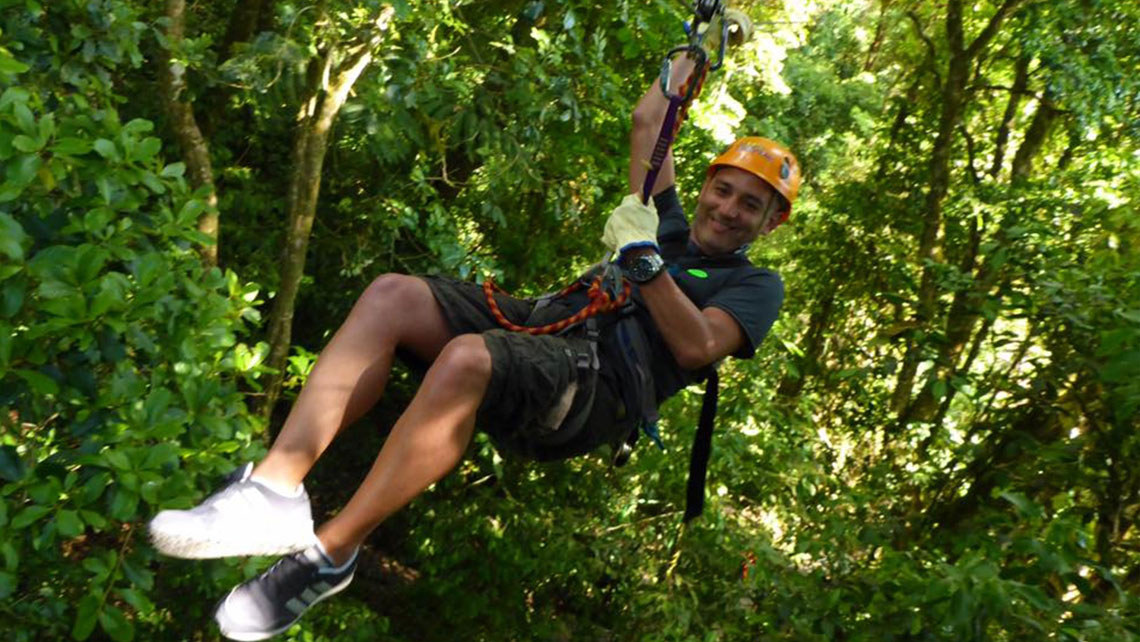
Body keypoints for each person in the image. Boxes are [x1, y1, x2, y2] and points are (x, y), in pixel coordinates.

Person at [148, 52, 801, 640]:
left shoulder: (754, 286)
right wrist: (691, 58)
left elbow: (697, 346)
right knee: (392, 296)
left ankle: (330, 554)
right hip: (549, 326)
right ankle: (272, 493)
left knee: (468, 358)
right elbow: (648, 120)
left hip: (598, 387)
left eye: (751, 204)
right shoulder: (674, 225)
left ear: (770, 224)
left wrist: (644, 265)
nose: (728, 207)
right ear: (709, 185)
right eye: (723, 188)